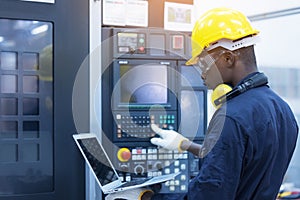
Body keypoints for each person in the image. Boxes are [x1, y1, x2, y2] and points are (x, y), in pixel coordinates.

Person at [106, 7, 299, 200]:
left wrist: (145, 197)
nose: (202, 74)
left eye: (203, 64)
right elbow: (240, 161)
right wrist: (186, 145)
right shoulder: (283, 111)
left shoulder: (231, 116)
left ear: (228, 58)